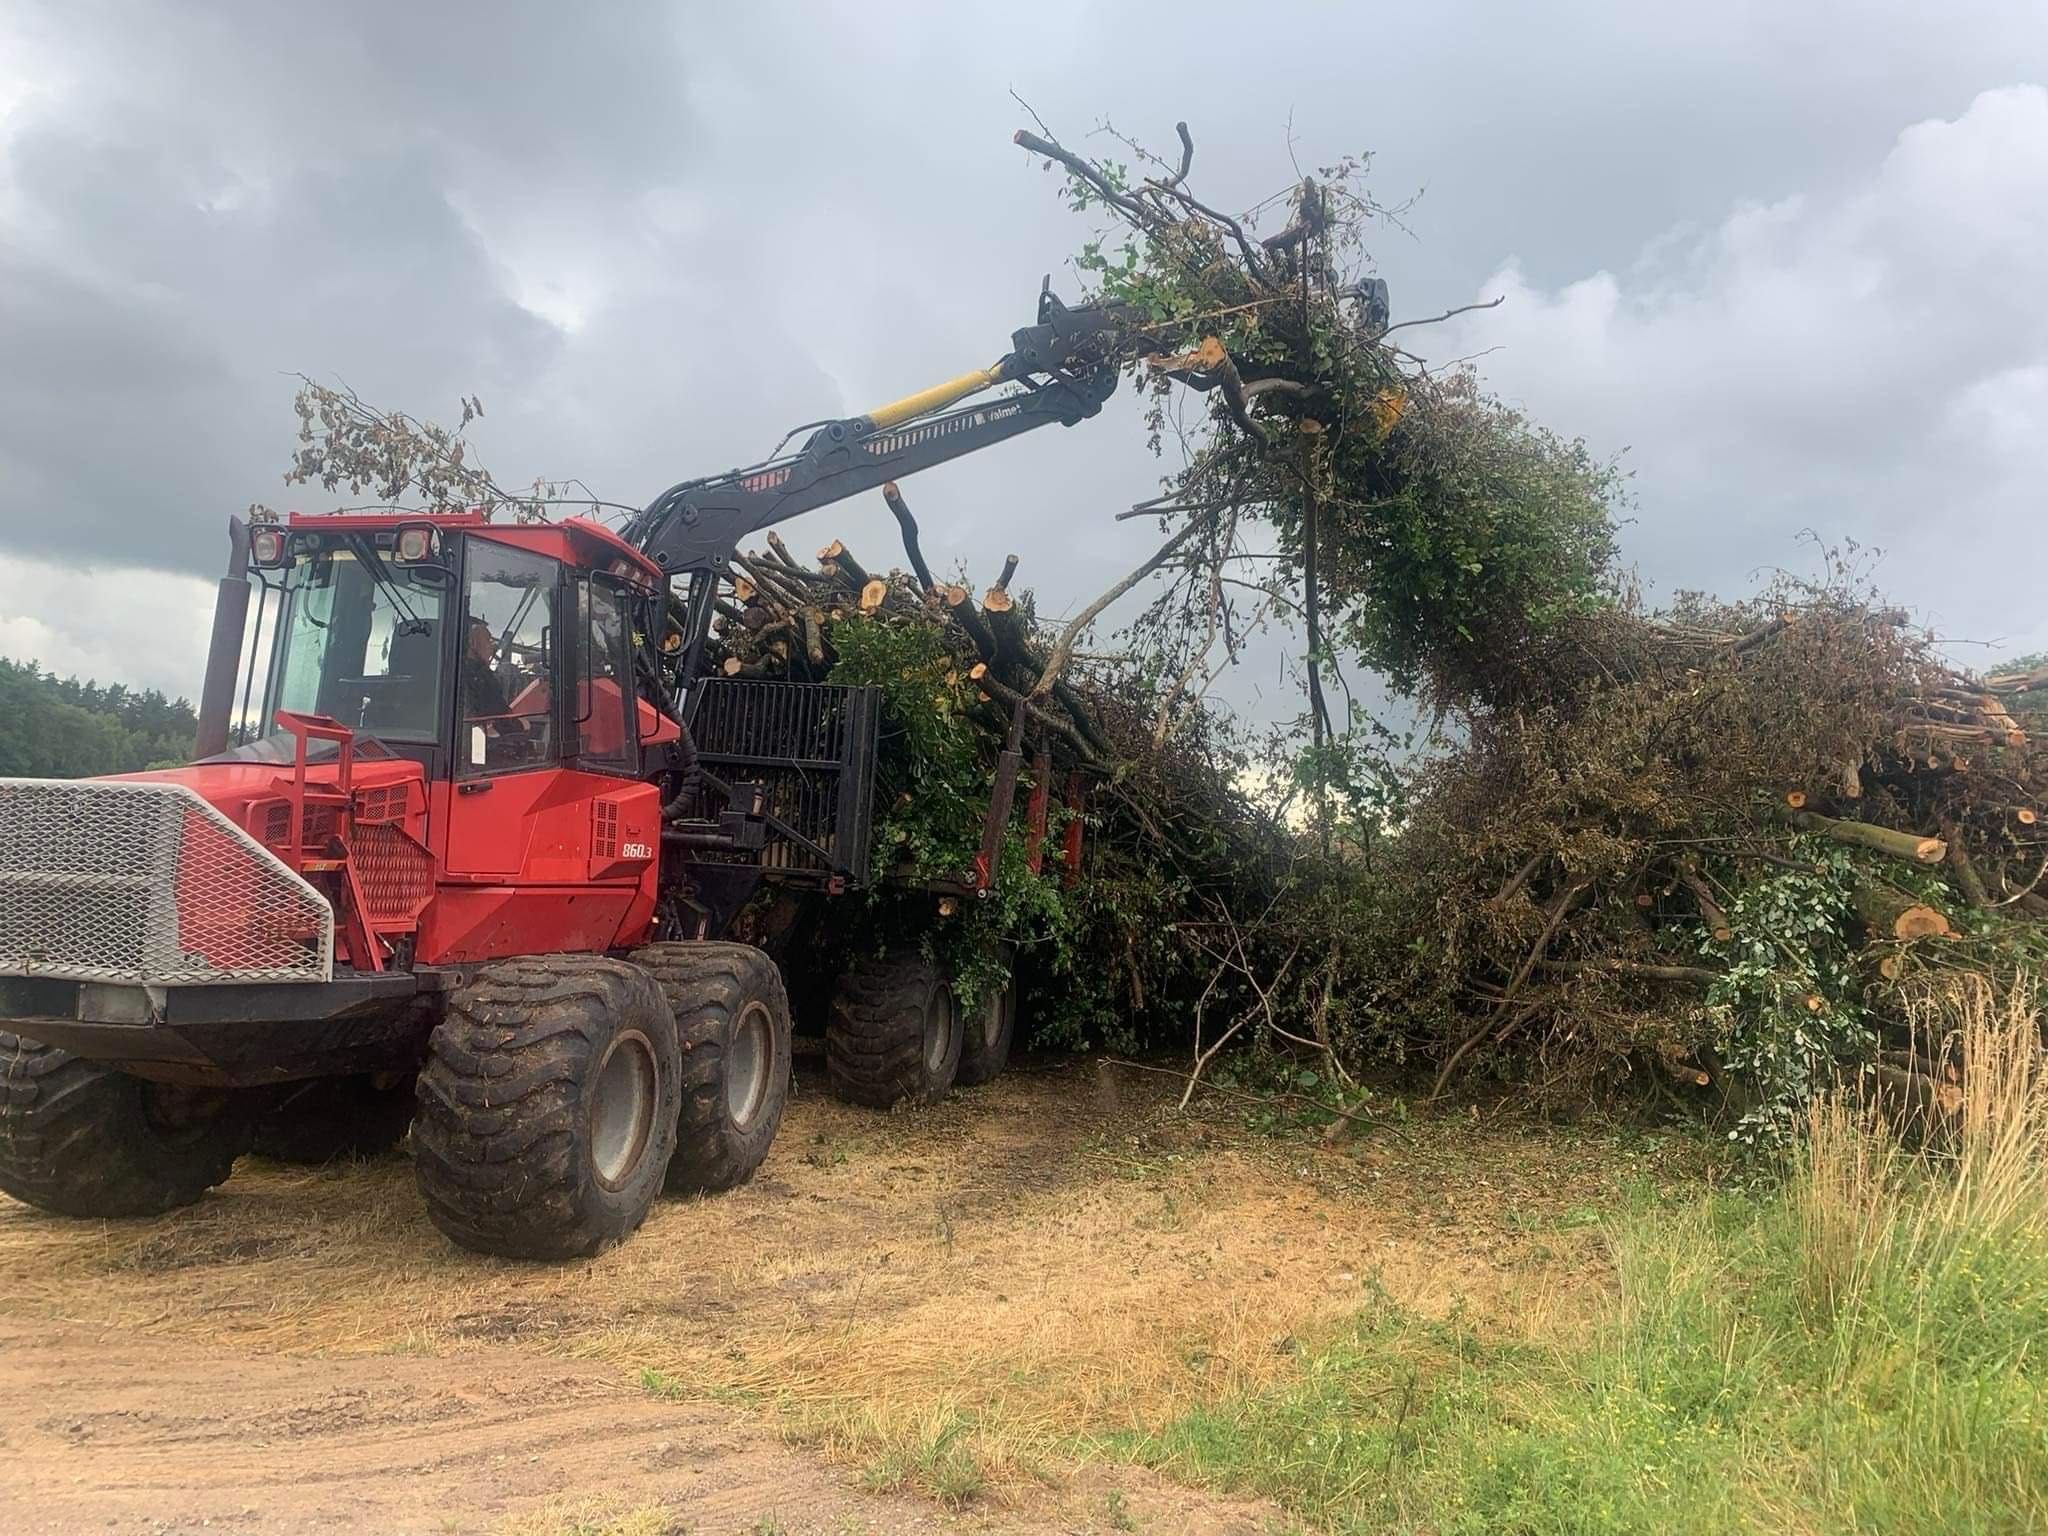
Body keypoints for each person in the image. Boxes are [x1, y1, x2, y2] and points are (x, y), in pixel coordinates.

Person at [462, 617, 508, 719]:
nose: (493, 646)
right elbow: (496, 713)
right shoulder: (469, 677)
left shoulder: (482, 673)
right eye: (488, 640)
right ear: (473, 643)